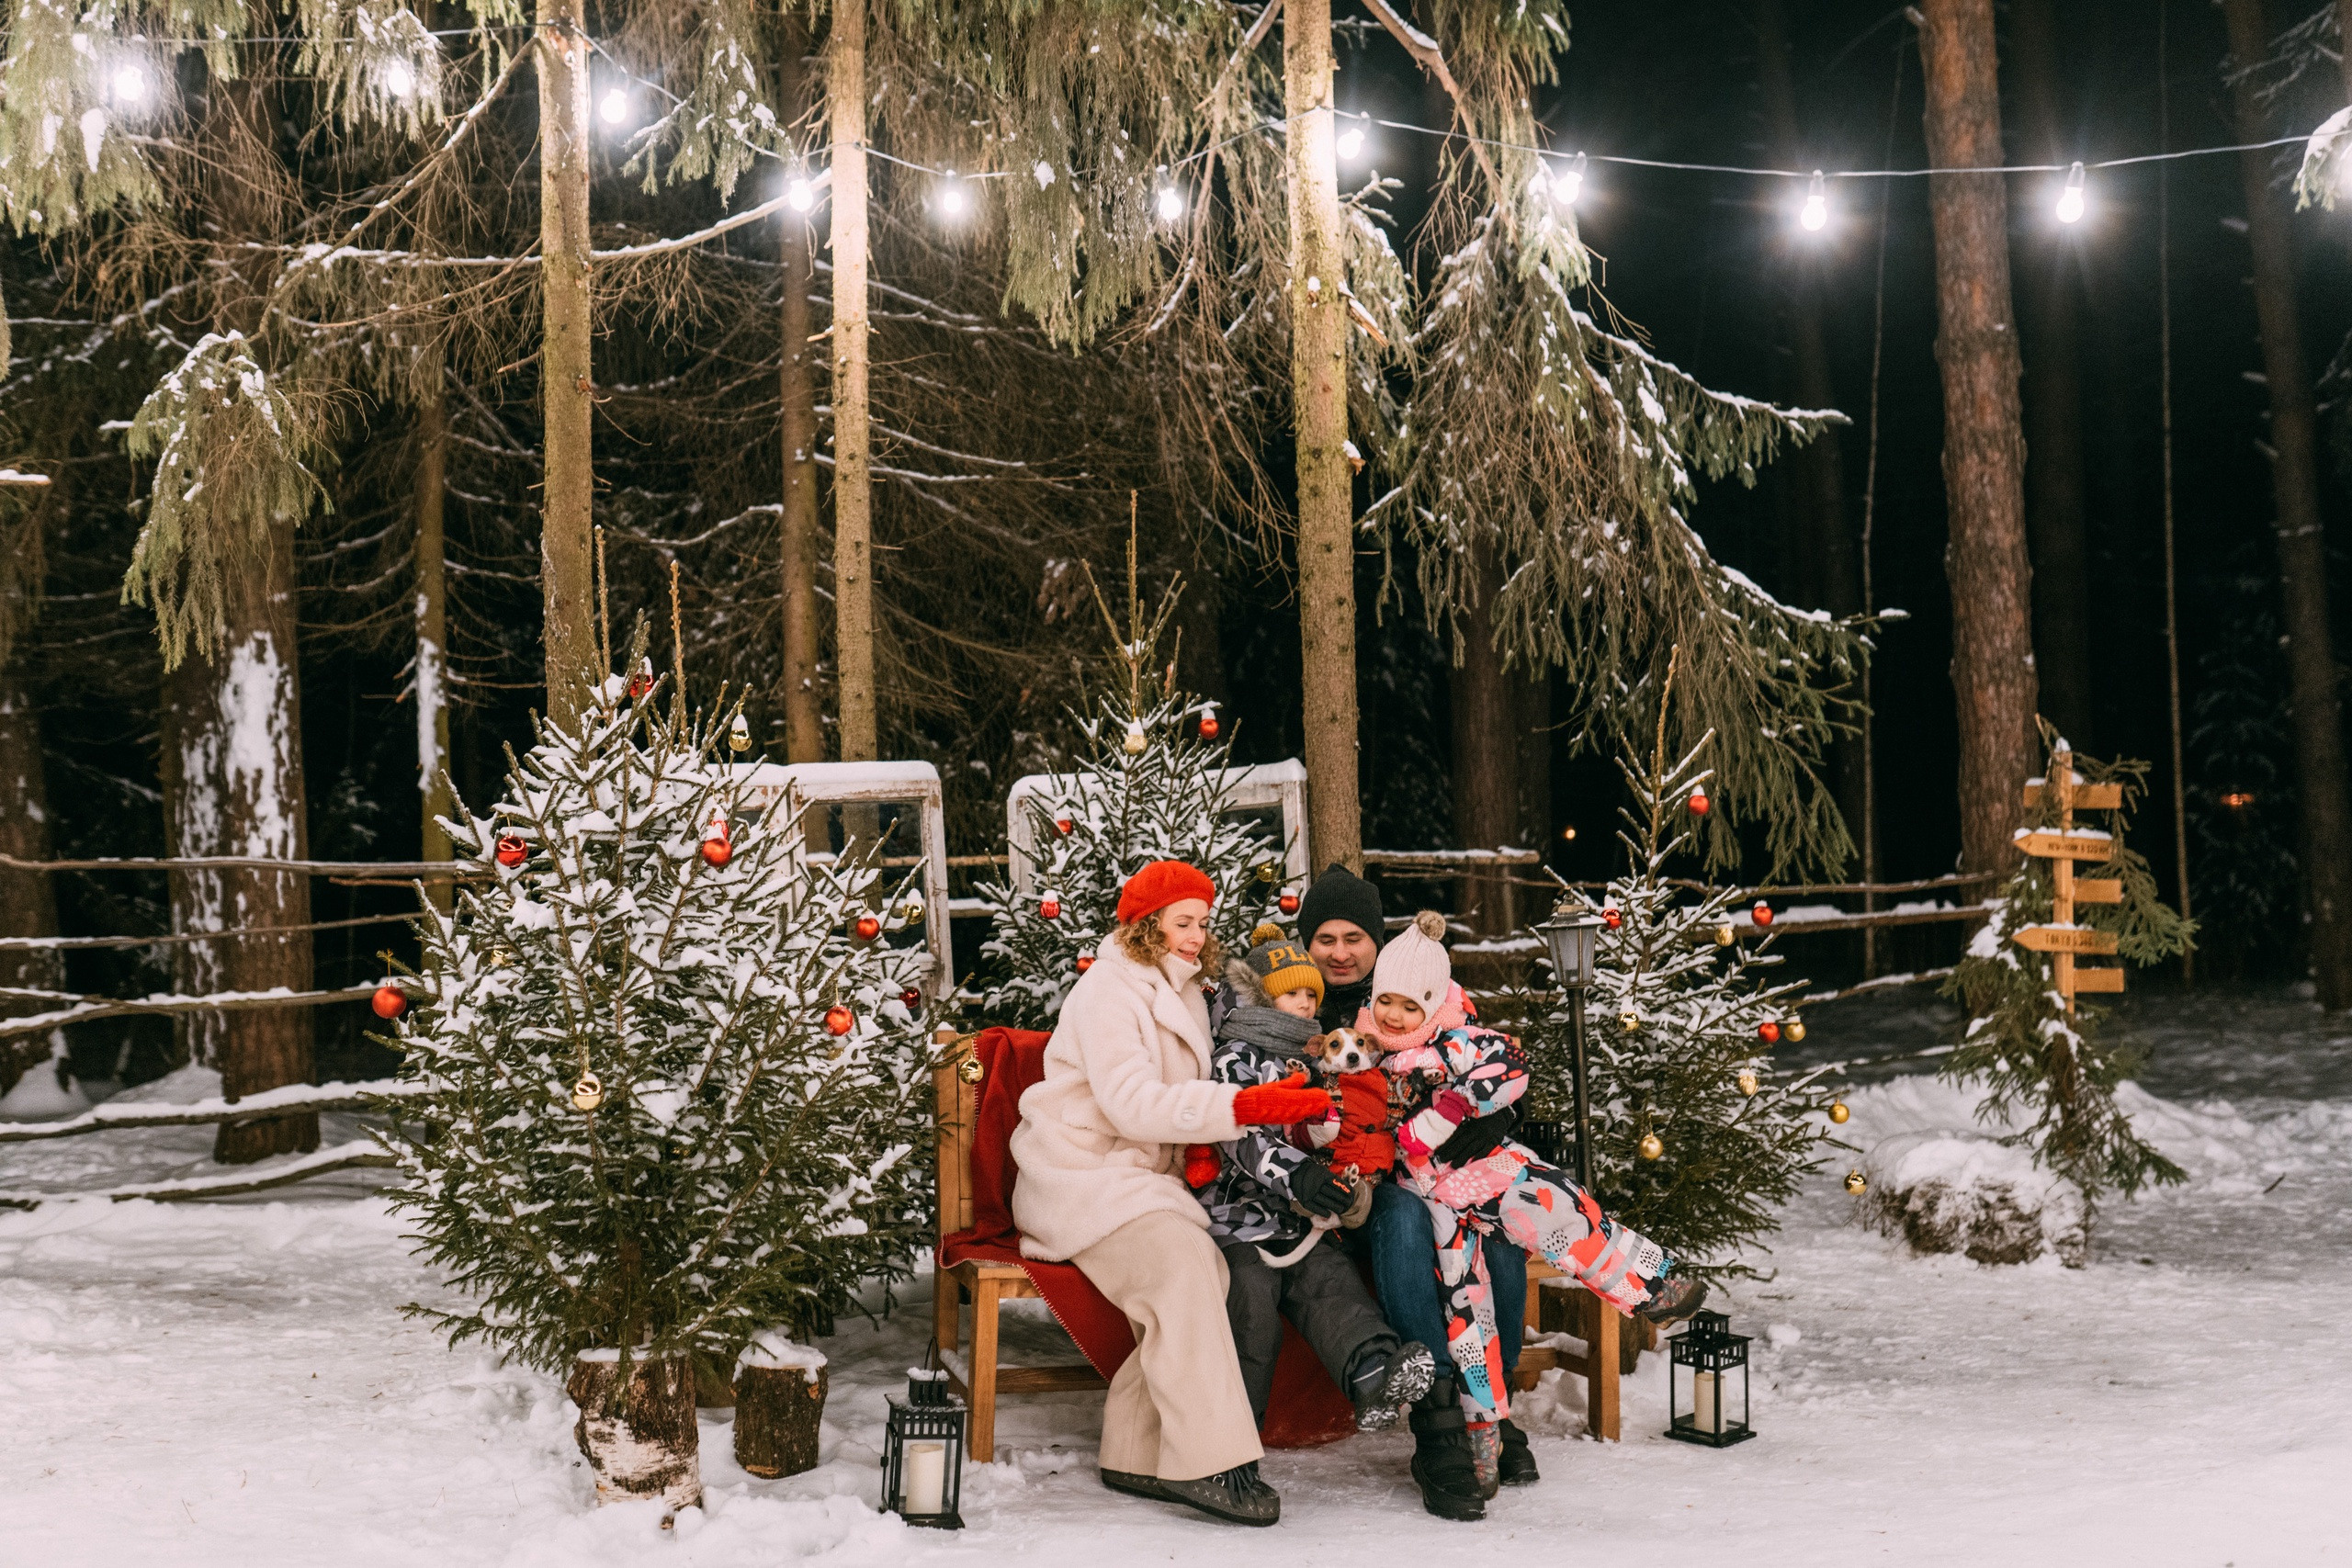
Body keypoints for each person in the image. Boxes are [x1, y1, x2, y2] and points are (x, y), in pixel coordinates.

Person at [1007, 861, 1333, 1528]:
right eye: (1182, 922)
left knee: (1207, 1264)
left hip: (1141, 1181)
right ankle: (1209, 1460)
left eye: (1203, 923)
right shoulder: (1107, 992)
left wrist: (1259, 1105)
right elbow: (1130, 1104)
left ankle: (1133, 1452)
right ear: (1145, 925)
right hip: (1082, 1175)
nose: (1196, 936)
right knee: (1185, 1265)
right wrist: (1241, 1106)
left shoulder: (1181, 991)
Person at [1363, 912, 1709, 1519]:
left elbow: (1512, 1066)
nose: (1393, 1015)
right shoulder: (1362, 1050)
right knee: (1467, 1317)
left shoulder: (1455, 1041)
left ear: (1433, 1003)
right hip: (1435, 1202)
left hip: (1490, 1172)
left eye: (1408, 1005)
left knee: (1561, 1209)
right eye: (1384, 1000)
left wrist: (1461, 1106)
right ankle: (1483, 1434)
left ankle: (1648, 1282)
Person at [1292, 864, 1533, 1517]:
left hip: (1443, 1172)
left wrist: (1493, 1119)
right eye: (1324, 938)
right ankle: (1437, 1421)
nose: (1339, 952)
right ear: (1306, 943)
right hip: (1363, 1188)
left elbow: (1488, 1066)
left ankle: (1494, 1407)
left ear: (1377, 943)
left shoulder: (1421, 994)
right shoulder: (1302, 1006)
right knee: (1400, 1217)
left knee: (1501, 1240)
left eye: (1354, 938)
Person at [1196, 924, 1435, 1433]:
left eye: (1312, 994)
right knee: (1252, 1302)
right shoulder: (1235, 1055)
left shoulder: (1313, 1057)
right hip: (1237, 1216)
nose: (1306, 1003)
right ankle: (1232, 1433)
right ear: (1261, 996)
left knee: (1330, 1282)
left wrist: (1339, 1174)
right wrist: (1298, 1173)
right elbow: (1238, 1130)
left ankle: (1374, 1373)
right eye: (1292, 994)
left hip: (1297, 1216)